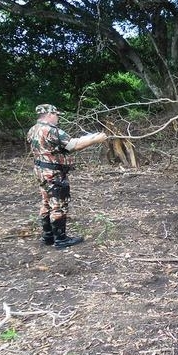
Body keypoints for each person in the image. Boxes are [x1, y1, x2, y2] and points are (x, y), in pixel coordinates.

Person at [26, 104, 107, 248]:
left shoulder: (33, 129)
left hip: (40, 170)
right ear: (50, 114)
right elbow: (73, 146)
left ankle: (48, 236)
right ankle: (61, 240)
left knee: (46, 202)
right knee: (58, 204)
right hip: (53, 173)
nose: (57, 118)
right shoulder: (51, 130)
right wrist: (95, 140)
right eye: (56, 115)